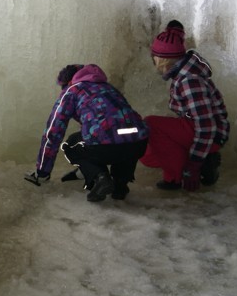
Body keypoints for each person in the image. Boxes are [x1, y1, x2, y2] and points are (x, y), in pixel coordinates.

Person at [25, 64, 149, 202]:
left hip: (106, 146)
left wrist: (42, 172)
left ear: (68, 82)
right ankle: (120, 185)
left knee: (71, 145)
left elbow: (53, 132)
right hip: (139, 143)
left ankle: (100, 177)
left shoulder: (72, 90)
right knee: (124, 137)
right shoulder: (108, 87)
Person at [139, 20, 230, 191]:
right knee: (146, 154)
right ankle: (204, 162)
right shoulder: (184, 73)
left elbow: (206, 125)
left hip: (211, 134)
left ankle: (175, 178)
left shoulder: (189, 81)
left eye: (154, 56)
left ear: (162, 59)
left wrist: (194, 163)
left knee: (150, 124)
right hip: (202, 130)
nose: (153, 60)